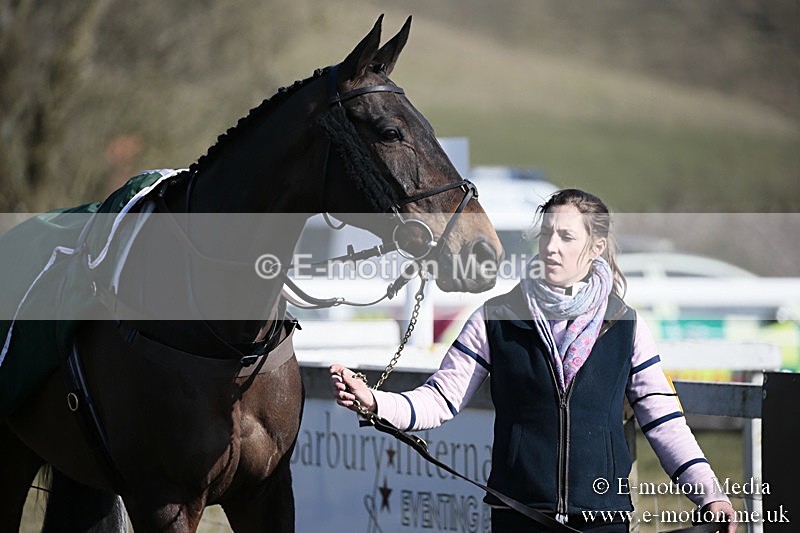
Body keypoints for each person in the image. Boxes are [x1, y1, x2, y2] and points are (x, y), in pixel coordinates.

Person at [330, 189, 737, 532]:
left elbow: (665, 422)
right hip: (518, 515)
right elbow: (439, 400)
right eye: (546, 234)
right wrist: (375, 401)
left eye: (566, 236)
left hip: (602, 518)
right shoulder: (496, 317)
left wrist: (710, 495)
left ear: (595, 247)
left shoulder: (626, 325)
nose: (551, 247)